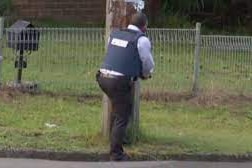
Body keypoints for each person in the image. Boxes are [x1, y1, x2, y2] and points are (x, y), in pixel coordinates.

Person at [96, 12, 154, 161]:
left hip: (102, 77)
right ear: (144, 26)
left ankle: (115, 139)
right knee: (122, 116)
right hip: (119, 81)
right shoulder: (141, 40)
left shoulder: (115, 34)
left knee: (118, 110)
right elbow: (147, 62)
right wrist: (146, 74)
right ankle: (116, 153)